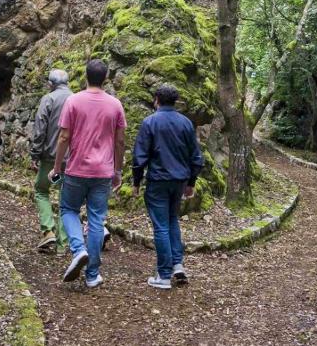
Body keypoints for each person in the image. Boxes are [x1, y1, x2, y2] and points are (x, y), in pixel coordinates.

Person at [50, 58, 126, 289]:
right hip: (103, 172)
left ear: (85, 76)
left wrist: (56, 167)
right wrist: (118, 170)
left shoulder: (73, 101)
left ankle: (78, 249)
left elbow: (64, 136)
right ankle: (92, 274)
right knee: (96, 219)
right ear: (106, 78)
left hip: (76, 168)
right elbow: (120, 141)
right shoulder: (115, 105)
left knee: (68, 209)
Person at [131, 83, 205, 290]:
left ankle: (163, 275)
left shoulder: (150, 123)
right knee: (172, 221)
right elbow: (196, 157)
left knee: (161, 225)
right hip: (179, 181)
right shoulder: (186, 123)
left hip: (158, 181)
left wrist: (136, 182)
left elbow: (140, 157)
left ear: (156, 100)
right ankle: (177, 264)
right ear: (175, 101)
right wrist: (191, 182)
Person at [30, 68, 73, 253]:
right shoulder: (77, 99)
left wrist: (34, 154)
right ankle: (64, 243)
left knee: (41, 189)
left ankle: (48, 231)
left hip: (50, 157)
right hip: (71, 159)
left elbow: (40, 128)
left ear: (50, 83)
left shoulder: (48, 99)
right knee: (65, 197)